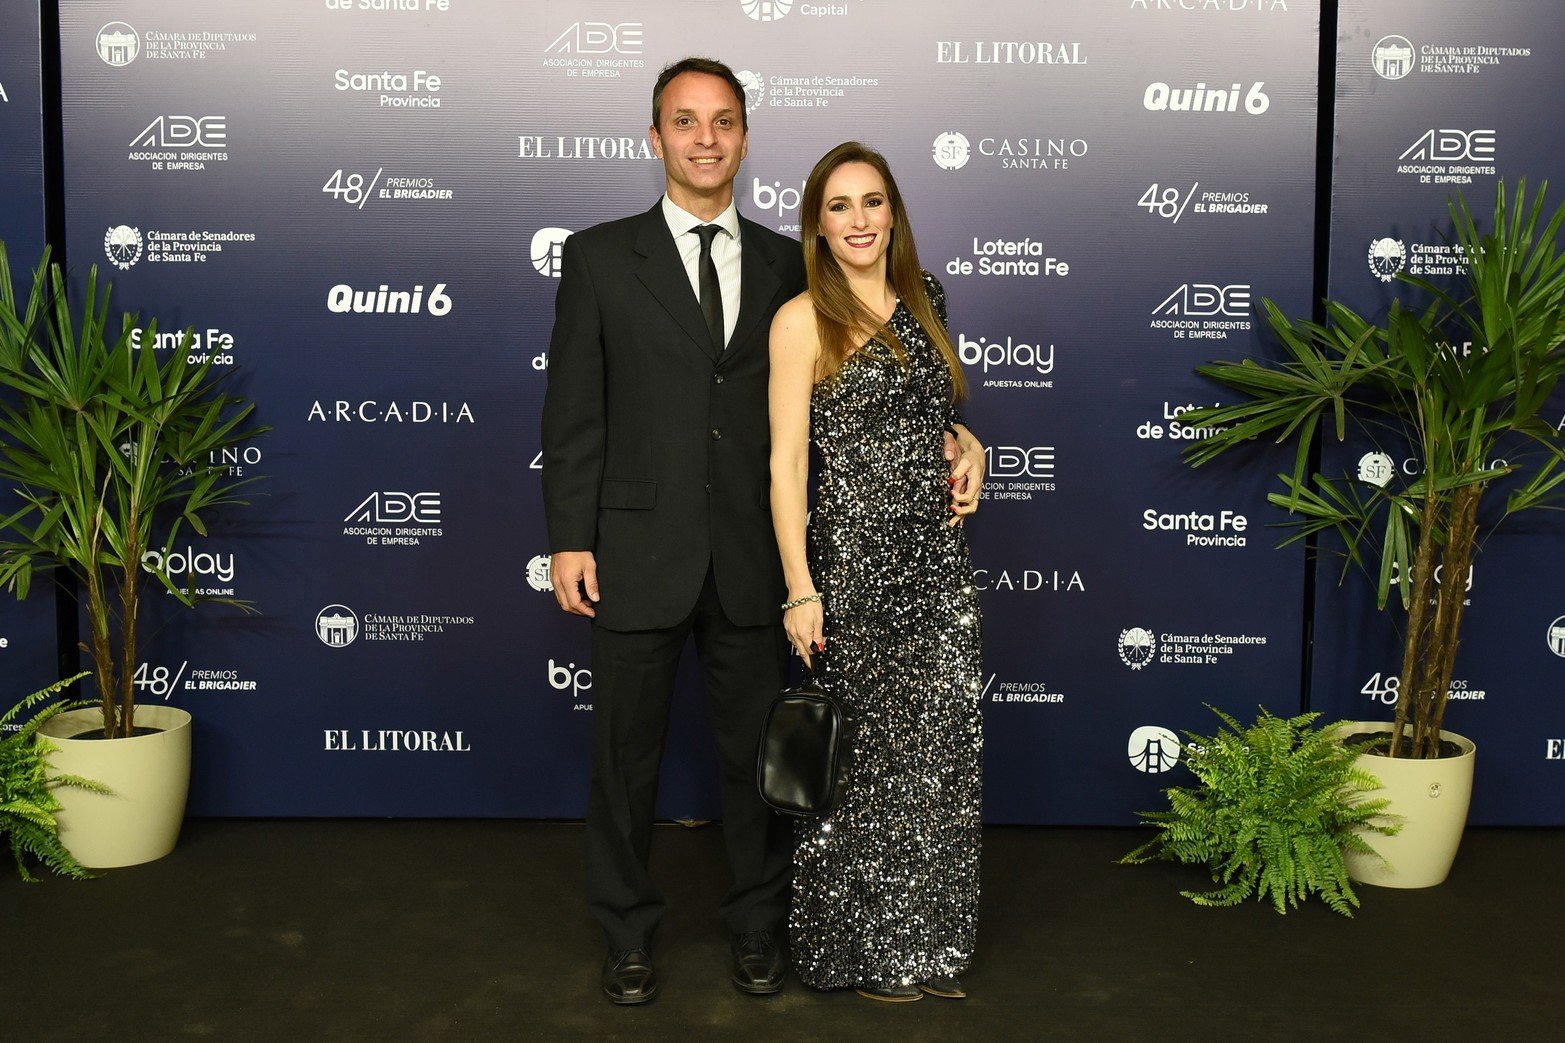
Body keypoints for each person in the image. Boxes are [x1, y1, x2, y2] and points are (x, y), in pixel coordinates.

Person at [542, 58, 984, 1006]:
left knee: (765, 764)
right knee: (624, 763)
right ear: (654, 137)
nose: (706, 138)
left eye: (724, 121)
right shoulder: (596, 257)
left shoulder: (797, 264)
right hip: (636, 550)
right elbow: (574, 411)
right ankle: (625, 933)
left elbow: (862, 396)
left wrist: (956, 430)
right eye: (685, 121)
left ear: (745, 137)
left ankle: (756, 928)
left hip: (755, 556)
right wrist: (569, 538)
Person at [767, 141, 985, 1003]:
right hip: (852, 568)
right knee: (859, 766)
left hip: (936, 562)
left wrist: (970, 447)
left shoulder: (927, 297)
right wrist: (800, 586)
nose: (858, 220)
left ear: (892, 212)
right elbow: (785, 466)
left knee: (937, 756)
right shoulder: (800, 320)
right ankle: (855, 950)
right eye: (838, 206)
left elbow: (935, 419)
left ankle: (929, 947)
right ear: (816, 224)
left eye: (872, 202)